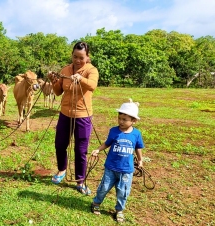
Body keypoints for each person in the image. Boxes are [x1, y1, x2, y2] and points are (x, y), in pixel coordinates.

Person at [48, 41, 99, 195]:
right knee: (60, 144)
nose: (77, 60)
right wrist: (53, 80)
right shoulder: (66, 70)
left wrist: (80, 78)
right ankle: (62, 170)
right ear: (72, 55)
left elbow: (92, 85)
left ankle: (80, 181)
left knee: (80, 150)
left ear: (87, 57)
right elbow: (57, 92)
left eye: (81, 57)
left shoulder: (91, 70)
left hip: (83, 116)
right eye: (75, 56)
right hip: (65, 114)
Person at [90, 99, 144, 223]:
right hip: (111, 167)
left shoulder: (136, 134)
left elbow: (138, 148)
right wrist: (98, 149)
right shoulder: (113, 131)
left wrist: (140, 160)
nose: (121, 121)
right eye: (119, 118)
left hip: (126, 170)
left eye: (125, 120)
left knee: (123, 192)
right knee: (103, 187)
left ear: (133, 121)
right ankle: (96, 203)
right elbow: (107, 143)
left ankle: (119, 210)